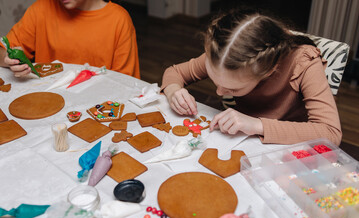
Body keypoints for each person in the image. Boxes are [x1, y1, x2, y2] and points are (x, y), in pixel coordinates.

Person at [161, 11, 342, 145]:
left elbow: (330, 132)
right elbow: (174, 72)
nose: (219, 92)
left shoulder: (304, 62)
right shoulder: (225, 56)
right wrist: (173, 91)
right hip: (242, 139)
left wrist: (257, 125)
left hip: (288, 145)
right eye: (215, 82)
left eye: (233, 89)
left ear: (270, 71)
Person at [0, 0, 140, 79]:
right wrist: (8, 59)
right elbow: (3, 51)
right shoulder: (41, 9)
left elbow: (125, 84)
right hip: (48, 100)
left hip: (96, 108)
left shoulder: (119, 20)